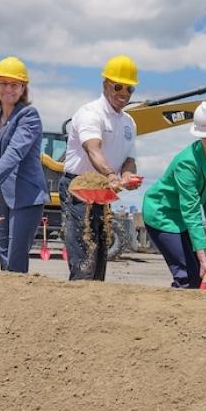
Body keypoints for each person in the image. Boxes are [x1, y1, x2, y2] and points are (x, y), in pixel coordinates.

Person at [59, 55, 142, 280]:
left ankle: (93, 298)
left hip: (103, 194)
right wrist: (112, 175)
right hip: (79, 190)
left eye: (129, 89)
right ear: (105, 84)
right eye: (118, 86)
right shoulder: (90, 113)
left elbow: (129, 158)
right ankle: (80, 299)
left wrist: (127, 175)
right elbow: (93, 149)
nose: (123, 93)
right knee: (83, 256)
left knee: (99, 258)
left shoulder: (128, 122)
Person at [142, 100, 206, 289]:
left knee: (204, 280)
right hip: (163, 215)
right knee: (189, 276)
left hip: (183, 217)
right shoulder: (187, 163)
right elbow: (191, 211)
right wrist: (203, 258)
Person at [0, 57, 49, 273]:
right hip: (3, 198)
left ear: (23, 88)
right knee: (4, 255)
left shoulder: (28, 116)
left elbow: (14, 152)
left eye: (14, 84)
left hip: (26, 196)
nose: (8, 89)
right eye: (3, 83)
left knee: (15, 257)